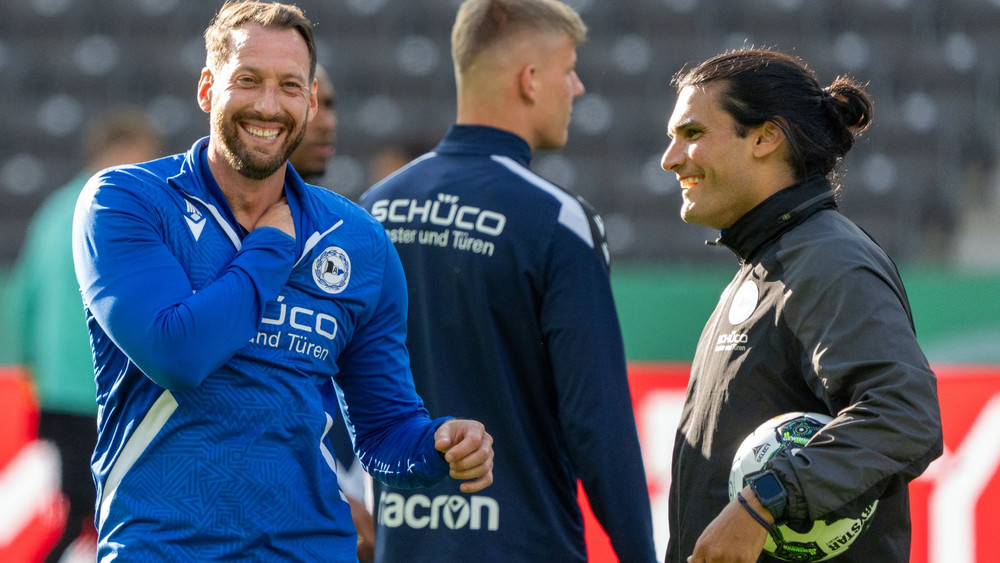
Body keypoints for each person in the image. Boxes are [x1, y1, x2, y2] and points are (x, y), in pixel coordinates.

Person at [71, 2, 493, 561]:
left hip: (311, 549)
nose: (269, 105)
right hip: (165, 548)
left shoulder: (359, 242)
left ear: (310, 100)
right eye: (248, 81)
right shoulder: (128, 201)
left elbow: (385, 430)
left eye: (290, 86)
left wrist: (435, 445)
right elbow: (177, 351)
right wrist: (271, 247)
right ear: (207, 88)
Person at [359, 1, 656, 561]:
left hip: (403, 545)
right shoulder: (558, 222)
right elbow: (599, 424)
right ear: (531, 78)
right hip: (525, 546)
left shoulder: (372, 210)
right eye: (569, 68)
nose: (579, 87)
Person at [658, 48, 943, 562]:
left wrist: (764, 501)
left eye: (692, 134)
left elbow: (904, 414)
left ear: (767, 137)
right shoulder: (769, 263)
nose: (671, 158)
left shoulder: (829, 260)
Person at [6, 107, 161, 563]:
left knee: (77, 512)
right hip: (105, 395)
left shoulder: (52, 212)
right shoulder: (119, 213)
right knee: (114, 514)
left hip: (56, 396)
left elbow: (23, 305)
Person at [287, 63, 376, 563]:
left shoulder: (351, 236)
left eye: (333, 104)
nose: (326, 121)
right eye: (311, 102)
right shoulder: (212, 242)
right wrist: (328, 492)